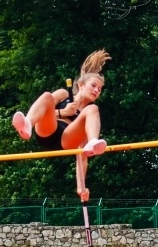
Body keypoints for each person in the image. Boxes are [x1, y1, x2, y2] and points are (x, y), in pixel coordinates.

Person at [12, 49, 111, 202]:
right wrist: (63, 112)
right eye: (94, 86)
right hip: (47, 130)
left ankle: (93, 142)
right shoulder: (64, 95)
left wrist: (81, 187)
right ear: (81, 85)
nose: (97, 90)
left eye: (100, 89)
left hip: (66, 140)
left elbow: (81, 156)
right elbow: (45, 109)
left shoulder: (88, 113)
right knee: (46, 96)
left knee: (93, 109)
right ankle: (27, 125)